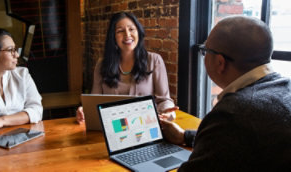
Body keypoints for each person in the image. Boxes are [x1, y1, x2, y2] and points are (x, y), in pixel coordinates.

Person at [160, 16, 291, 171]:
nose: (204, 56)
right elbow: (246, 138)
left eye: (205, 51)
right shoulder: (284, 87)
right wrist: (184, 136)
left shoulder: (234, 113)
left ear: (220, 63)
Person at [76, 12, 177, 123]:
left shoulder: (154, 60)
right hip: (112, 127)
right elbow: (94, 101)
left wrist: (168, 111)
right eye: (120, 31)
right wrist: (84, 111)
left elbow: (164, 100)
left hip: (145, 127)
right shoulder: (102, 64)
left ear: (138, 32)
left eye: (131, 29)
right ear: (113, 37)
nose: (127, 35)